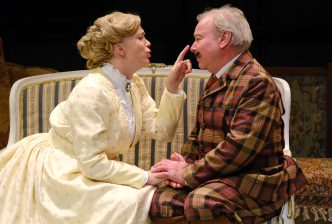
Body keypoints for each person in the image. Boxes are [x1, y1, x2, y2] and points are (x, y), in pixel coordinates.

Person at [0, 11, 192, 224]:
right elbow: (91, 163)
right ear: (120, 49)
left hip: (93, 168)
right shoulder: (92, 91)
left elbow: (161, 130)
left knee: (138, 198)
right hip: (65, 172)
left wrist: (172, 87)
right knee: (132, 200)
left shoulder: (133, 84)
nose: (148, 43)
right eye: (140, 37)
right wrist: (146, 177)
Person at [149, 4, 307, 224]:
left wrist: (187, 173)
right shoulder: (217, 77)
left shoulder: (256, 82)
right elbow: (198, 134)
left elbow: (238, 148)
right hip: (220, 175)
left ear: (224, 39)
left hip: (254, 180)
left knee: (202, 202)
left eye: (198, 38)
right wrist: (185, 162)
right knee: (161, 201)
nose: (193, 47)